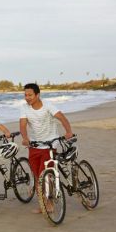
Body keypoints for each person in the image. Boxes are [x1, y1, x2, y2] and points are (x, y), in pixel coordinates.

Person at [19, 83, 74, 213]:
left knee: (45, 174)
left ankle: (49, 204)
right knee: (37, 176)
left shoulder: (48, 106)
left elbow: (62, 118)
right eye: (25, 95)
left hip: (50, 144)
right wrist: (25, 138)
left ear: (37, 95)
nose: (27, 98)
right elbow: (22, 125)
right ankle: (43, 203)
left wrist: (68, 131)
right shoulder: (24, 108)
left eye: (30, 95)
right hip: (35, 145)